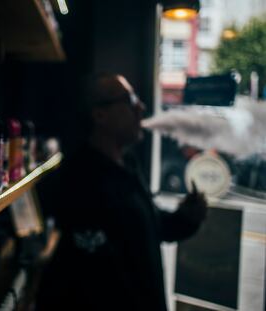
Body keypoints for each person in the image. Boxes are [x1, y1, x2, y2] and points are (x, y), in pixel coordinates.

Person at [34, 73, 208, 311]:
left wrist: (187, 218)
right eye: (130, 100)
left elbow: (150, 229)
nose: (141, 107)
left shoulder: (128, 165)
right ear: (100, 115)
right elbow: (97, 280)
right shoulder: (82, 179)